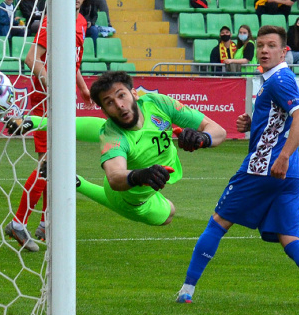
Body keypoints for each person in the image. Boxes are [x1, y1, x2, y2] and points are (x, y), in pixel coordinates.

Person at [175, 25, 299, 308]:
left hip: (262, 169)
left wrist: (284, 155)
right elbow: (281, 121)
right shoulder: (275, 80)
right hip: (289, 176)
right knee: (289, 237)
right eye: (261, 45)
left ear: (283, 51)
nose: (264, 50)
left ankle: (186, 291)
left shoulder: (279, 79)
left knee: (218, 223)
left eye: (271, 46)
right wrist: (252, 123)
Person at [3, 0, 93, 252]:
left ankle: (44, 225)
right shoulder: (53, 21)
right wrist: (55, 86)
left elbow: (72, 63)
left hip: (63, 101)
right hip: (46, 101)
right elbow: (32, 59)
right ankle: (19, 223)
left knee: (57, 164)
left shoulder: (81, 22)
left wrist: (83, 90)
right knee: (49, 164)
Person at [75, 71, 226, 228]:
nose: (119, 105)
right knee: (169, 213)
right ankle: (80, 184)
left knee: (107, 128)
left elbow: (219, 132)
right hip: (128, 195)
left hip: (126, 168)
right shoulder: (113, 135)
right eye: (109, 103)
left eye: (121, 96)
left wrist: (202, 138)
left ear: (134, 94)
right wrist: (140, 175)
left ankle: (47, 122)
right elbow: (114, 177)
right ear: (105, 112)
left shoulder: (158, 103)